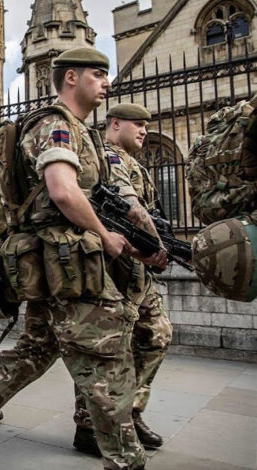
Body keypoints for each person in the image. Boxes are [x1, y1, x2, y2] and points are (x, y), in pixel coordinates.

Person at [0, 48, 148, 470]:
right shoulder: (55, 124)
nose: (107, 82)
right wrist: (105, 235)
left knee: (36, 348)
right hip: (69, 261)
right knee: (108, 362)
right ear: (69, 79)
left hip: (57, 262)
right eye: (97, 74)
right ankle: (127, 461)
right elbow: (62, 191)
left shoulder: (84, 131)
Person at [72, 103, 171, 456]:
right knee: (107, 347)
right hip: (115, 267)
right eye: (137, 124)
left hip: (138, 267)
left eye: (147, 125)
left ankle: (129, 412)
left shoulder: (134, 162)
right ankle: (90, 424)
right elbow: (130, 207)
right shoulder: (110, 157)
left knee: (157, 334)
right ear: (115, 124)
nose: (144, 130)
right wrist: (160, 248)